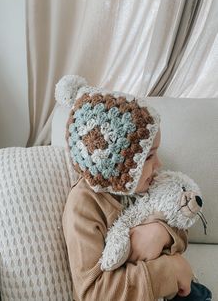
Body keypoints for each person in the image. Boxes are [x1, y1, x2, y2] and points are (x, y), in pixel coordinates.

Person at [59, 75, 193, 301]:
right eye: (149, 156)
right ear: (116, 165)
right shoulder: (82, 207)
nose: (159, 165)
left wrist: (162, 234)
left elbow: (181, 222)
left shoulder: (148, 183)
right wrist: (171, 270)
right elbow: (93, 293)